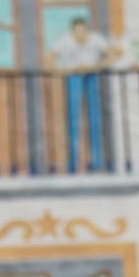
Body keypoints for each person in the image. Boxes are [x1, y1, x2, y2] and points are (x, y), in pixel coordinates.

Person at [48, 14, 113, 172]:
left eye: (83, 31)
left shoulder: (95, 40)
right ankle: (73, 162)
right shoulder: (64, 41)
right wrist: (66, 70)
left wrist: (97, 66)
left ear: (87, 31)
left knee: (94, 118)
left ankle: (96, 161)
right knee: (73, 118)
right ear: (72, 31)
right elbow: (50, 60)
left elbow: (113, 54)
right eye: (77, 31)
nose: (80, 34)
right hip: (73, 77)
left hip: (91, 76)